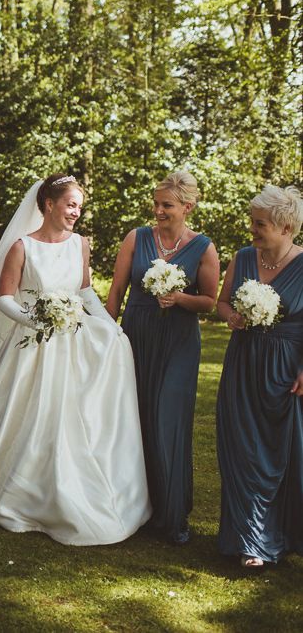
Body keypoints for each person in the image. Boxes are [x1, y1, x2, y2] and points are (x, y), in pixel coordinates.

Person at [0, 174, 151, 544]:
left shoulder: (80, 245)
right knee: (23, 416)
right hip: (30, 344)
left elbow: (84, 290)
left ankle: (67, 489)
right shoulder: (22, 247)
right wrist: (37, 319)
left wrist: (108, 324)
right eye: (70, 204)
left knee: (70, 417)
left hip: (72, 343)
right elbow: (4, 298)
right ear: (48, 204)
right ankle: (13, 491)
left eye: (79, 207)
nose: (76, 213)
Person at [106, 171, 219, 545]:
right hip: (137, 333)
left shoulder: (203, 247)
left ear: (187, 207)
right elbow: (118, 289)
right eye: (155, 204)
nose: (158, 210)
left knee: (168, 419)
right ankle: (134, 507)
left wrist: (180, 298)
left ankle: (173, 515)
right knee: (134, 418)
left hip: (179, 342)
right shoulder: (135, 239)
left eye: (166, 205)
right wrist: (106, 332)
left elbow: (210, 301)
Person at [216, 185, 303, 568]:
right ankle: (245, 539)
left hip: (284, 371)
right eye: (253, 222)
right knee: (240, 448)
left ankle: (275, 537)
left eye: (260, 224)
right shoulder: (243, 257)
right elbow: (221, 301)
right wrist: (230, 316)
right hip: (242, 362)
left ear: (286, 228)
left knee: (276, 453)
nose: (252, 229)